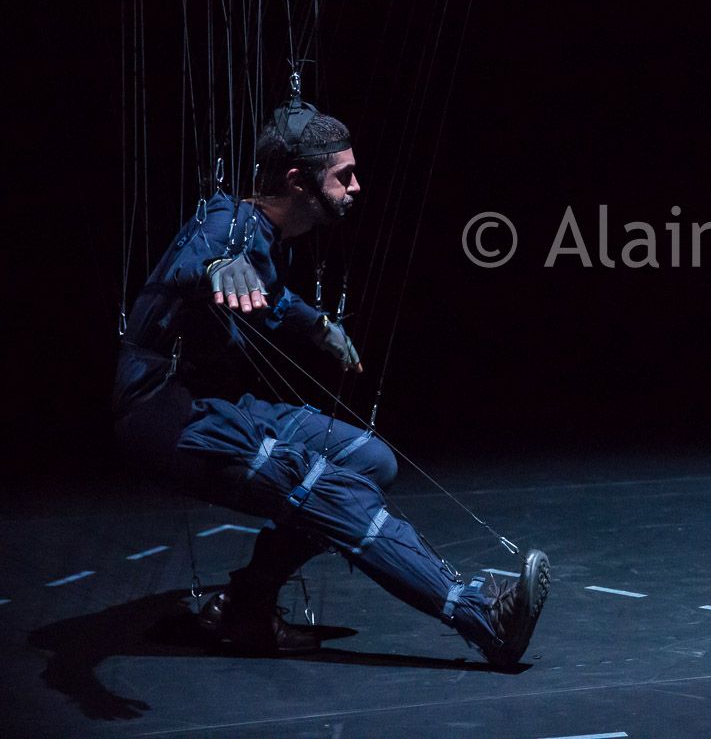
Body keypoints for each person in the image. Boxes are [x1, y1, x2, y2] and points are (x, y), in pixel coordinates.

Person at [113, 98, 548, 664]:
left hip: (217, 403)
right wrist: (218, 267)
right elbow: (196, 260)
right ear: (299, 182)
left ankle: (248, 606)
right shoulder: (227, 223)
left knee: (372, 461)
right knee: (329, 491)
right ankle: (481, 617)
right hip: (166, 413)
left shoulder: (267, 238)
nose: (356, 187)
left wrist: (317, 326)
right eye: (344, 176)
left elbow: (271, 295)